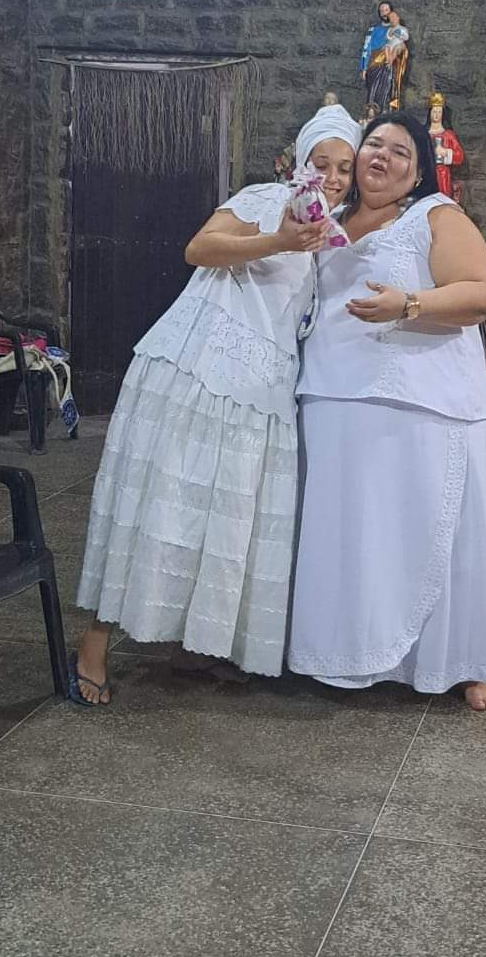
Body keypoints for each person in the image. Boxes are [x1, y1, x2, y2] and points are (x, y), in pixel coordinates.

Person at [70, 103, 360, 705]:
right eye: (322, 163)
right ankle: (94, 641)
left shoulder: (335, 235)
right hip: (200, 369)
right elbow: (199, 248)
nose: (332, 177)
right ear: (299, 162)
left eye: (344, 167)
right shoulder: (265, 198)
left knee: (221, 516)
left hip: (260, 389)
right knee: (159, 501)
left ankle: (193, 638)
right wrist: (278, 239)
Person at [288, 113, 486, 709]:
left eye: (399, 151)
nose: (381, 156)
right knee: (357, 535)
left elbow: (484, 293)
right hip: (336, 398)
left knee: (433, 531)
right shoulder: (325, 219)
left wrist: (408, 304)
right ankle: (346, 652)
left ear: (418, 172)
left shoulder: (434, 216)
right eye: (373, 144)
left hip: (425, 402)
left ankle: (464, 661)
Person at [426, 91, 465, 199]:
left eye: (439, 112)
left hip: (442, 175)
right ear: (430, 113)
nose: (436, 115)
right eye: (434, 111)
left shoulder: (448, 135)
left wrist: (445, 152)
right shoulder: (424, 133)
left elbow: (459, 156)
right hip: (427, 174)